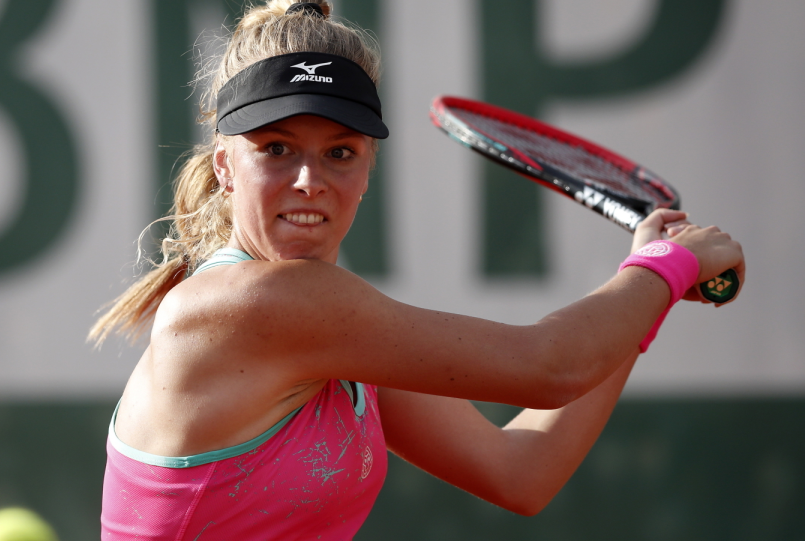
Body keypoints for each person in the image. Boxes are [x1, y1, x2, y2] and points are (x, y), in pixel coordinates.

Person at [91, 1, 745, 539]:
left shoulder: (337, 331)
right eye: (276, 148)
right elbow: (549, 363)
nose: (308, 180)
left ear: (368, 170)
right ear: (224, 166)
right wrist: (667, 265)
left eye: (339, 152)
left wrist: (648, 287)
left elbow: (520, 470)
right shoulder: (259, 304)